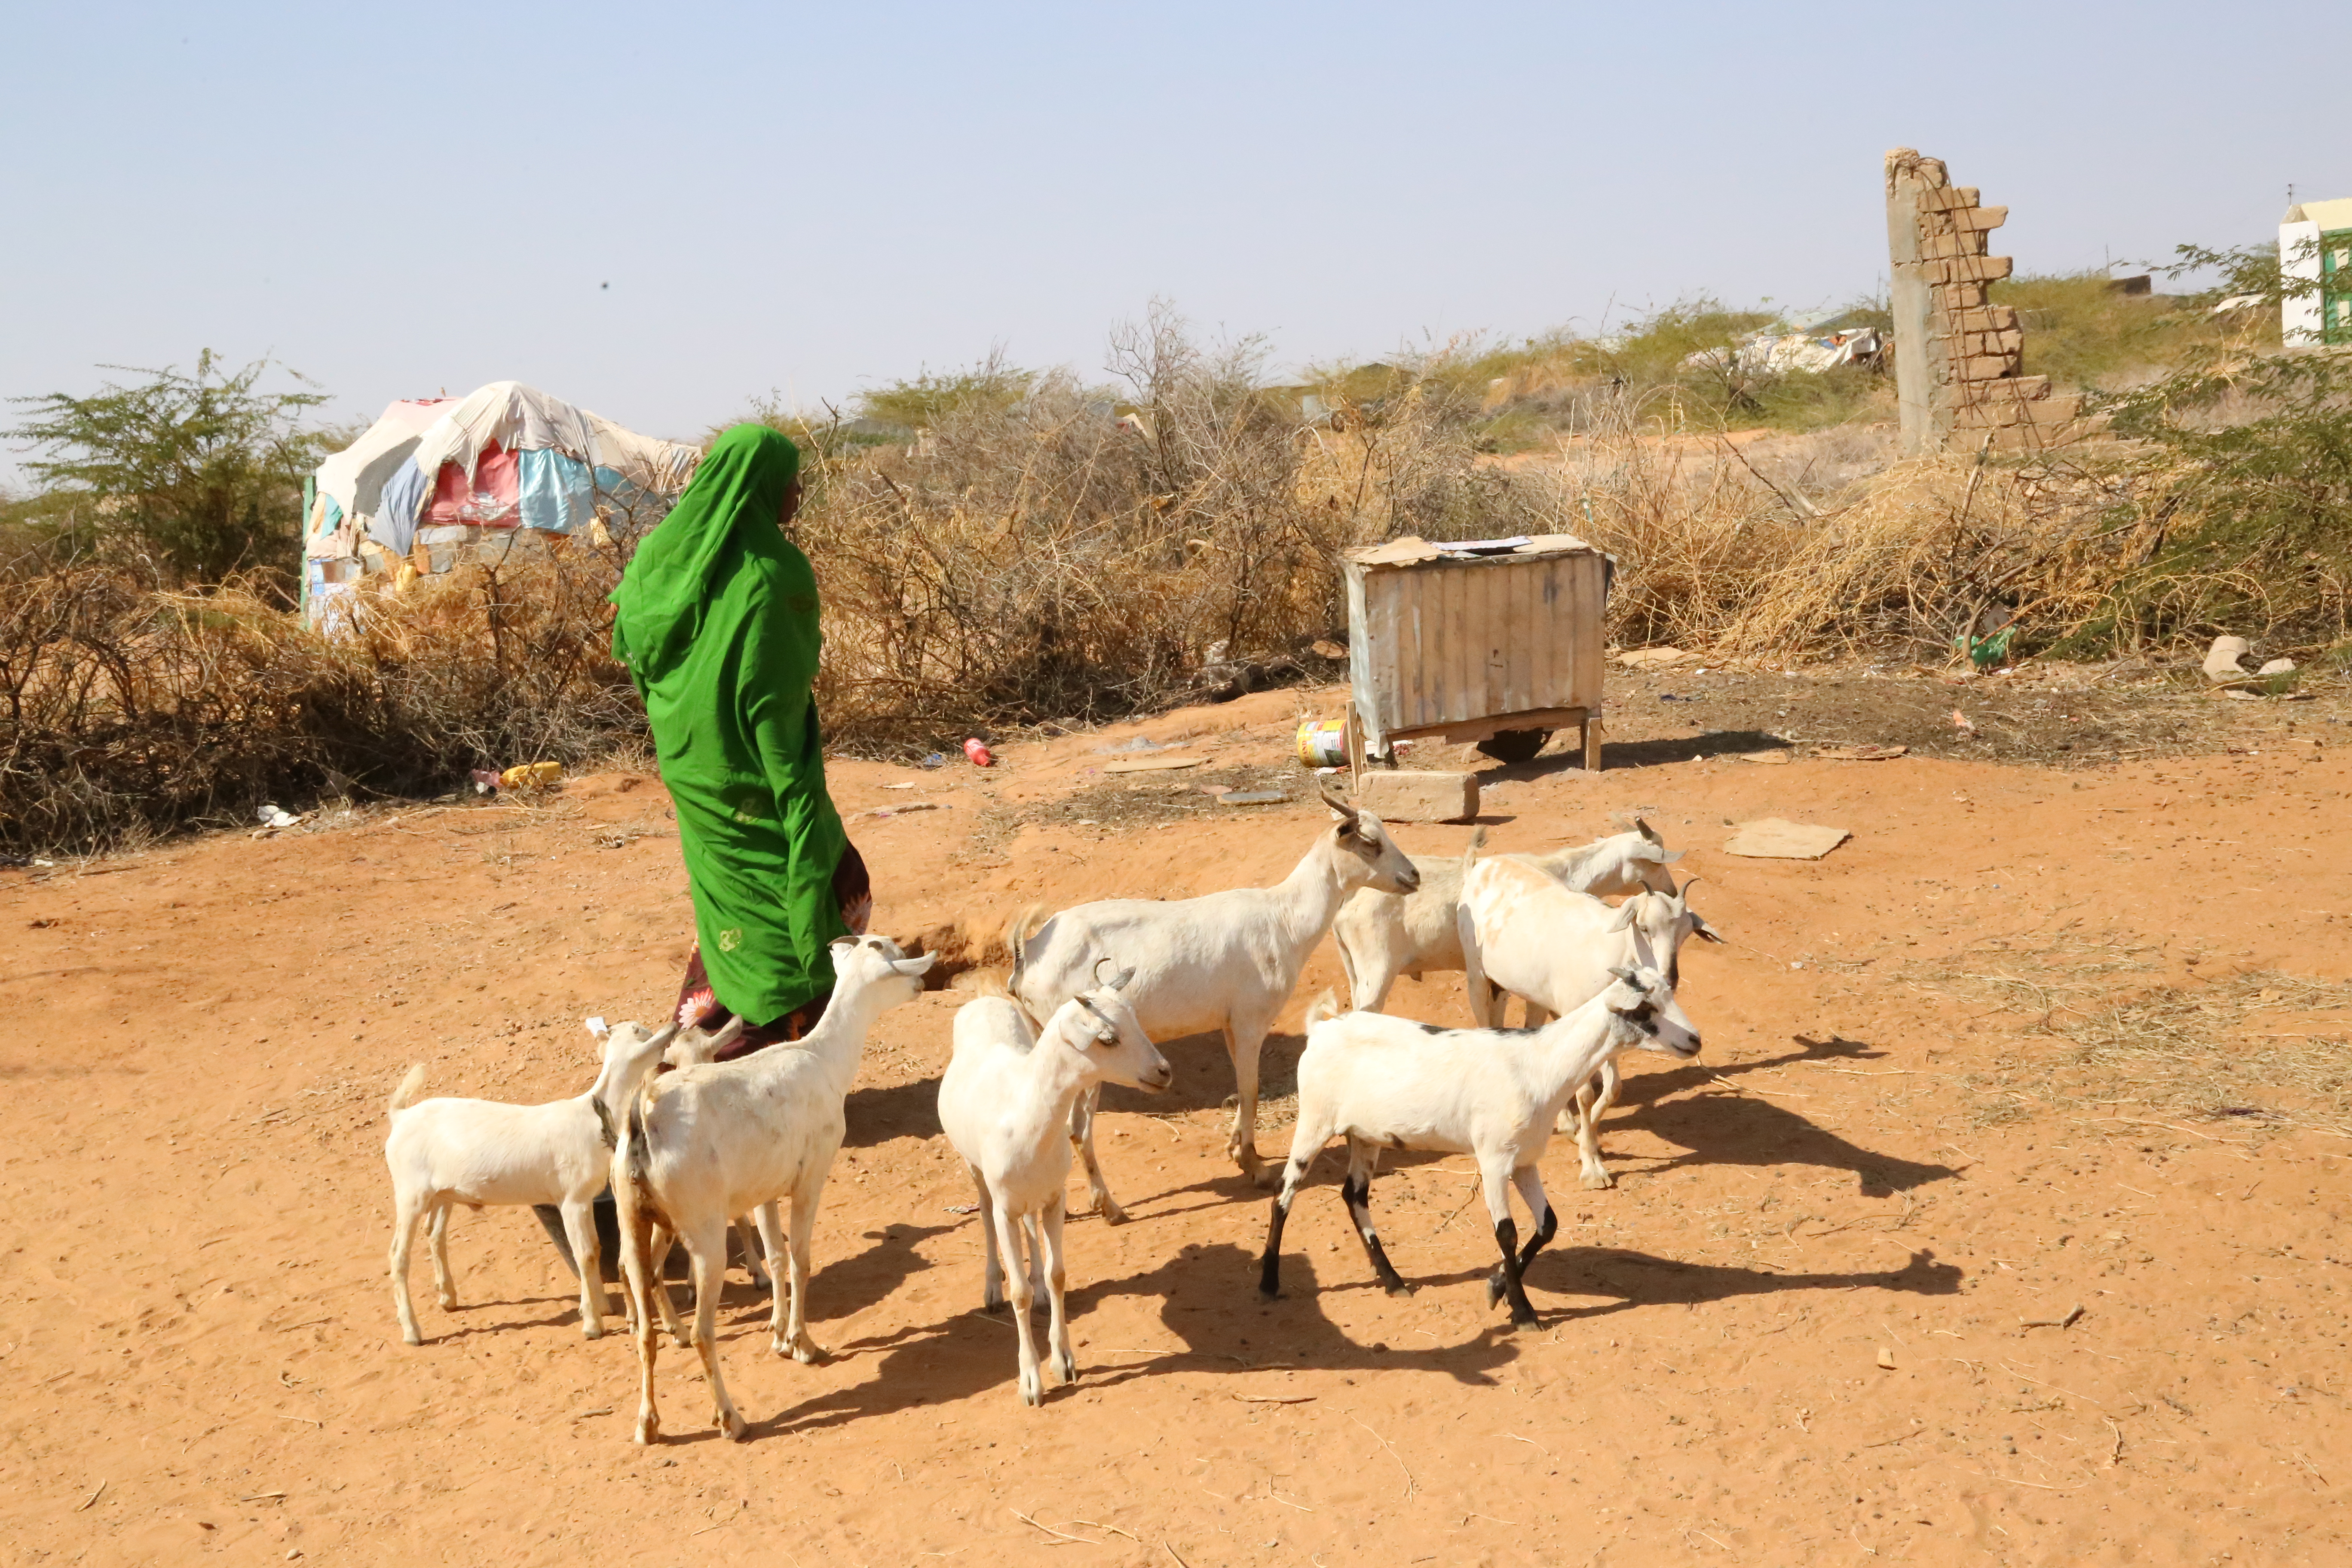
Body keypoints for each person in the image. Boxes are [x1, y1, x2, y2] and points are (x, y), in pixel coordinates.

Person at [611, 423, 870, 1061]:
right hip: (759, 773)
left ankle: (690, 1044)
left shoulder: (658, 563)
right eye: (792, 479)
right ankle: (752, 1069)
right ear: (762, 487)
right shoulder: (771, 575)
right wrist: (796, 795)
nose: (800, 491)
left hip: (696, 772)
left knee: (733, 909)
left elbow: (640, 651)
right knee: (832, 889)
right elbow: (774, 699)